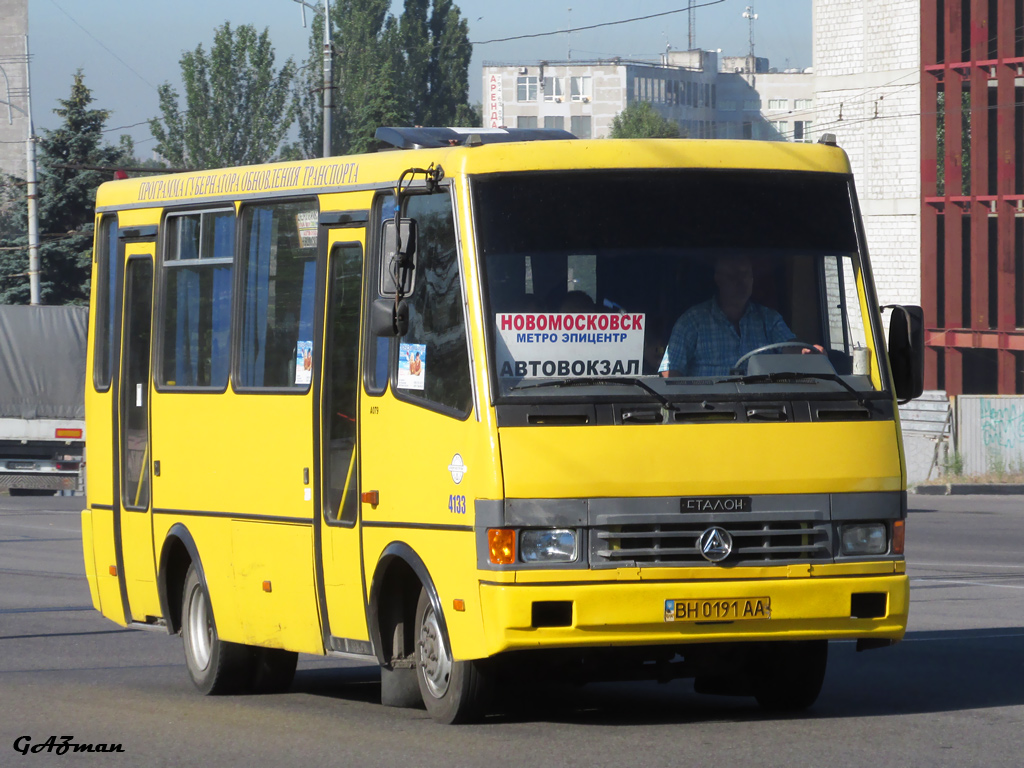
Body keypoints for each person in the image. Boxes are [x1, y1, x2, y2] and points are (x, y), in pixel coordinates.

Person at [659, 254, 800, 377]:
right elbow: (670, 373)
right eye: (733, 276)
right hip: (708, 406)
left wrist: (806, 354)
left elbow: (791, 350)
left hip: (763, 405)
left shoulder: (769, 319)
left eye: (745, 274)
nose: (741, 282)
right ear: (718, 279)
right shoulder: (691, 321)